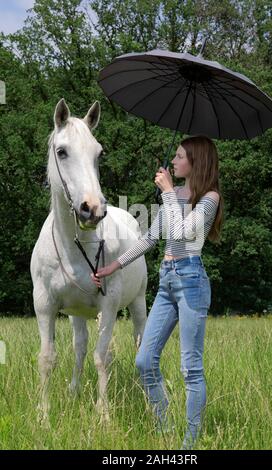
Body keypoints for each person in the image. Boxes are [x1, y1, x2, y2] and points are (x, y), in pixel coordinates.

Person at [90, 135, 223, 449]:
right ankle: (163, 430)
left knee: (190, 368)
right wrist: (114, 266)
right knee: (144, 360)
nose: (173, 162)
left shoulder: (210, 199)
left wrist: (166, 193)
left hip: (191, 282)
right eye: (174, 156)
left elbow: (181, 233)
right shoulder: (175, 193)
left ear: (195, 162)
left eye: (179, 157)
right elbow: (151, 238)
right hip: (166, 281)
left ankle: (188, 445)